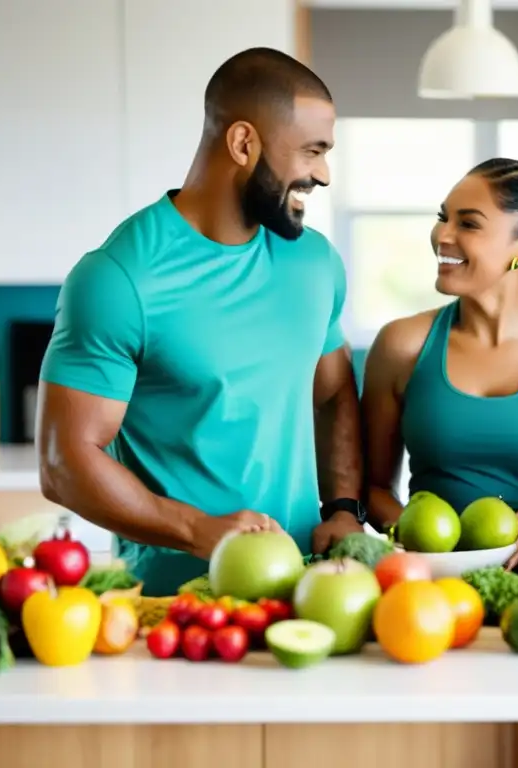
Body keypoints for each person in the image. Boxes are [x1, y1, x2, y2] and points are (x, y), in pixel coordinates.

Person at [36, 48, 365, 597]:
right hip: (172, 608)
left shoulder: (315, 264)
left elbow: (331, 395)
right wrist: (198, 532)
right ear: (243, 144)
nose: (323, 174)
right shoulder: (119, 278)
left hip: (310, 599)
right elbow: (63, 461)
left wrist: (344, 507)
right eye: (312, 151)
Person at [360, 129, 518, 577]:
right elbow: (371, 488)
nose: (443, 234)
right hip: (426, 589)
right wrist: (414, 531)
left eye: (468, 223)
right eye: (443, 217)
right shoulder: (401, 345)